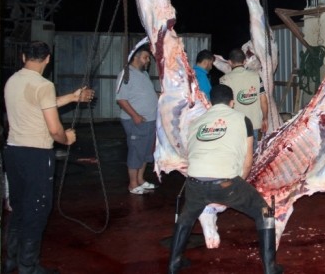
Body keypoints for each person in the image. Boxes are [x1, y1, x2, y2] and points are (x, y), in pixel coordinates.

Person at [167, 84, 284, 274]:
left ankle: (174, 264)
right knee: (264, 212)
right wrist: (236, 184)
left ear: (211, 102)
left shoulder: (196, 122)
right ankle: (270, 268)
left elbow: (192, 154)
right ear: (232, 103)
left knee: (186, 216)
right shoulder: (242, 119)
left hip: (194, 181)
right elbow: (248, 161)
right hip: (225, 182)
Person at [3, 40, 94, 274]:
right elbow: (54, 130)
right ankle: (28, 267)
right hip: (36, 155)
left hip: (13, 152)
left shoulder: (13, 80)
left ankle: (11, 259)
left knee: (19, 207)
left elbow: (39, 104)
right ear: (48, 59)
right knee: (37, 210)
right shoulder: (44, 85)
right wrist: (67, 139)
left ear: (24, 57)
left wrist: (72, 97)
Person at [116, 43, 159, 195]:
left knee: (146, 152)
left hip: (150, 120)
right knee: (136, 151)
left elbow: (147, 94)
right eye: (146, 57)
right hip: (136, 121)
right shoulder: (126, 74)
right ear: (136, 57)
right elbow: (121, 99)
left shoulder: (144, 74)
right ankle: (132, 184)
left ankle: (140, 179)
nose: (148, 61)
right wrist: (135, 116)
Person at [219, 48, 268, 149]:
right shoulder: (256, 77)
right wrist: (265, 118)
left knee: (237, 155)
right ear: (245, 61)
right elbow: (263, 100)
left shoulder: (224, 80)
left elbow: (223, 105)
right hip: (253, 125)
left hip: (234, 126)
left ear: (229, 62)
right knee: (252, 154)